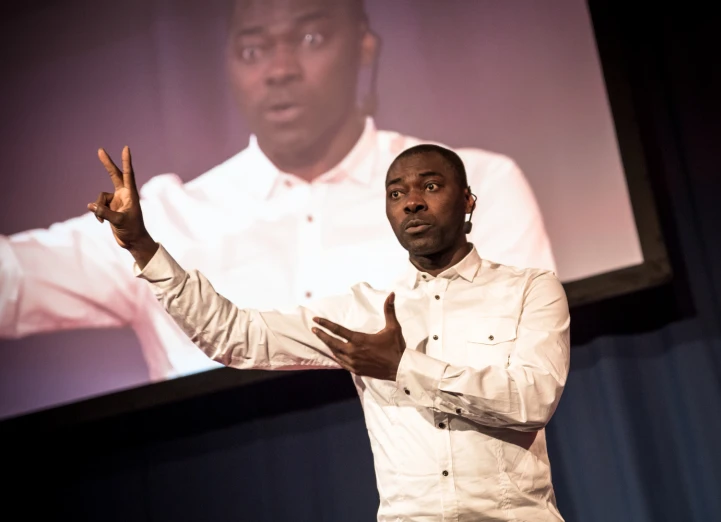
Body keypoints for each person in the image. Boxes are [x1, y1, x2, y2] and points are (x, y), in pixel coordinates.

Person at [0, 0, 556, 383]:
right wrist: (142, 245)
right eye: (253, 50)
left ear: (364, 46)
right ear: (228, 66)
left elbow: (521, 368)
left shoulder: (478, 184)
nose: (280, 69)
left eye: (311, 38)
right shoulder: (159, 221)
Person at [90, 143, 570, 521]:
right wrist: (142, 246)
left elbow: (532, 401)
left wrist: (404, 367)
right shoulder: (364, 311)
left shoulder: (529, 289)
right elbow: (235, 335)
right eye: (397, 193)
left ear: (467, 201)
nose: (413, 203)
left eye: (430, 186)